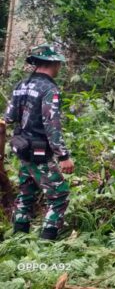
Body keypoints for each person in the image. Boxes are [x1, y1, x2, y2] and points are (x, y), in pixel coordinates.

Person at [4, 44, 74, 240]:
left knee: (26, 194)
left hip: (21, 147)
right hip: (39, 151)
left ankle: (19, 241)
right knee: (59, 195)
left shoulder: (21, 85)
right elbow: (52, 125)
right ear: (54, 63)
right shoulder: (50, 89)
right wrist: (64, 156)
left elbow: (8, 117)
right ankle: (47, 244)